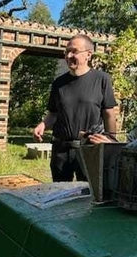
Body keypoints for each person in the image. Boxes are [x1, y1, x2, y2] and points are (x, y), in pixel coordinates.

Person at [33, 34, 117, 182]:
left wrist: (111, 138)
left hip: (89, 150)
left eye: (74, 51)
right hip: (61, 150)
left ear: (88, 55)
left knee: (88, 196)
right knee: (60, 195)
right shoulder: (59, 83)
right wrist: (43, 124)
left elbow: (109, 113)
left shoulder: (102, 79)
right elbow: (53, 113)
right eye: (66, 52)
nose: (68, 55)